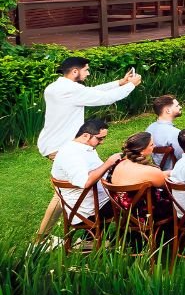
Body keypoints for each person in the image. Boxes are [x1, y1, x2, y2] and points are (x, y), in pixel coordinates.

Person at [35, 58, 141, 240]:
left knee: (69, 188)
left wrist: (119, 82)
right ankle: (45, 238)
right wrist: (131, 85)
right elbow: (105, 98)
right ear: (75, 71)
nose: (88, 73)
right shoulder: (69, 91)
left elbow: (91, 91)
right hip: (62, 146)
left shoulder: (55, 87)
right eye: (86, 70)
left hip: (54, 143)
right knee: (64, 191)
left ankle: (87, 226)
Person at [50, 119, 117, 230]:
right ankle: (130, 235)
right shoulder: (71, 154)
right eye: (99, 138)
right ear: (86, 136)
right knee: (134, 200)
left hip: (98, 201)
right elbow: (85, 182)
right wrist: (108, 163)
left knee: (134, 193)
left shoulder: (84, 148)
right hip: (87, 211)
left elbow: (95, 171)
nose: (102, 142)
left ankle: (121, 234)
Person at [104, 131, 171, 221]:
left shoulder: (118, 164)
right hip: (146, 214)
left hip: (124, 212)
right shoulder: (149, 170)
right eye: (151, 145)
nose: (154, 146)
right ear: (142, 150)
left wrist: (169, 172)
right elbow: (167, 185)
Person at [145, 94, 183, 166]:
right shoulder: (174, 133)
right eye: (177, 106)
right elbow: (182, 157)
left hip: (157, 168)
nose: (180, 107)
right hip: (173, 170)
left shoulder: (149, 129)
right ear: (168, 110)